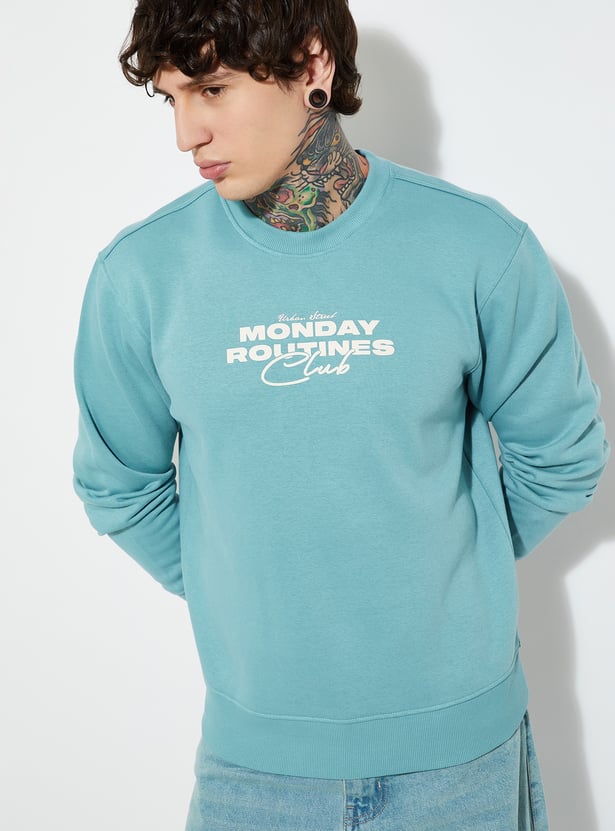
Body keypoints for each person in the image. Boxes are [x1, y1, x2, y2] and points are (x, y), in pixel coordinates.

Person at [72, 1, 609, 828]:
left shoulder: (477, 246)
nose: (186, 134)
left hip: (458, 762)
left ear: (312, 65)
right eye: (172, 98)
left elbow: (562, 456)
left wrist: (437, 568)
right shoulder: (142, 276)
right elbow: (119, 485)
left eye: (211, 89)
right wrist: (240, 581)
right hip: (255, 772)